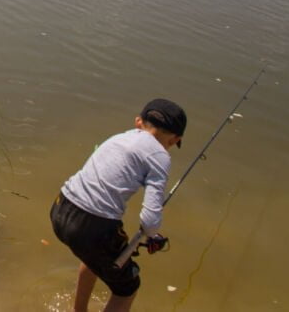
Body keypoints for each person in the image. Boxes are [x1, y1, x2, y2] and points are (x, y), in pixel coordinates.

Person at [50, 98, 187, 312]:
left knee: (93, 258)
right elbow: (150, 220)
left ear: (138, 122)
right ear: (174, 139)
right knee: (127, 288)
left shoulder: (119, 138)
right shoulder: (160, 156)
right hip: (92, 226)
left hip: (61, 207)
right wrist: (153, 236)